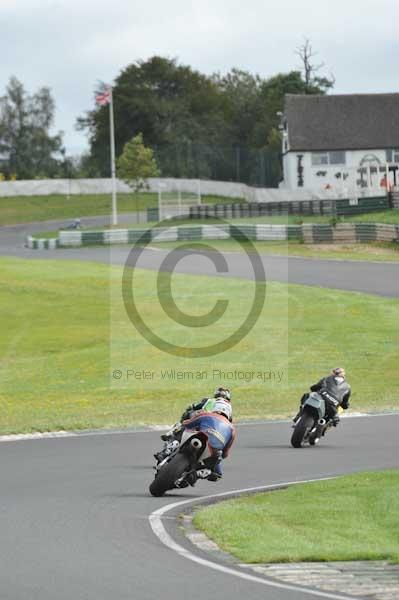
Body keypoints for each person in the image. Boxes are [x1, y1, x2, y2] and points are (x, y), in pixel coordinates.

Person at [154, 387, 235, 481]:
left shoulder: (208, 402)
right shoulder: (230, 426)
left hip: (199, 423)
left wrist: (187, 417)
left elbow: (190, 411)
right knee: (217, 469)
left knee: (182, 427)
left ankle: (169, 447)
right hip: (211, 443)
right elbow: (225, 452)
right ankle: (199, 473)